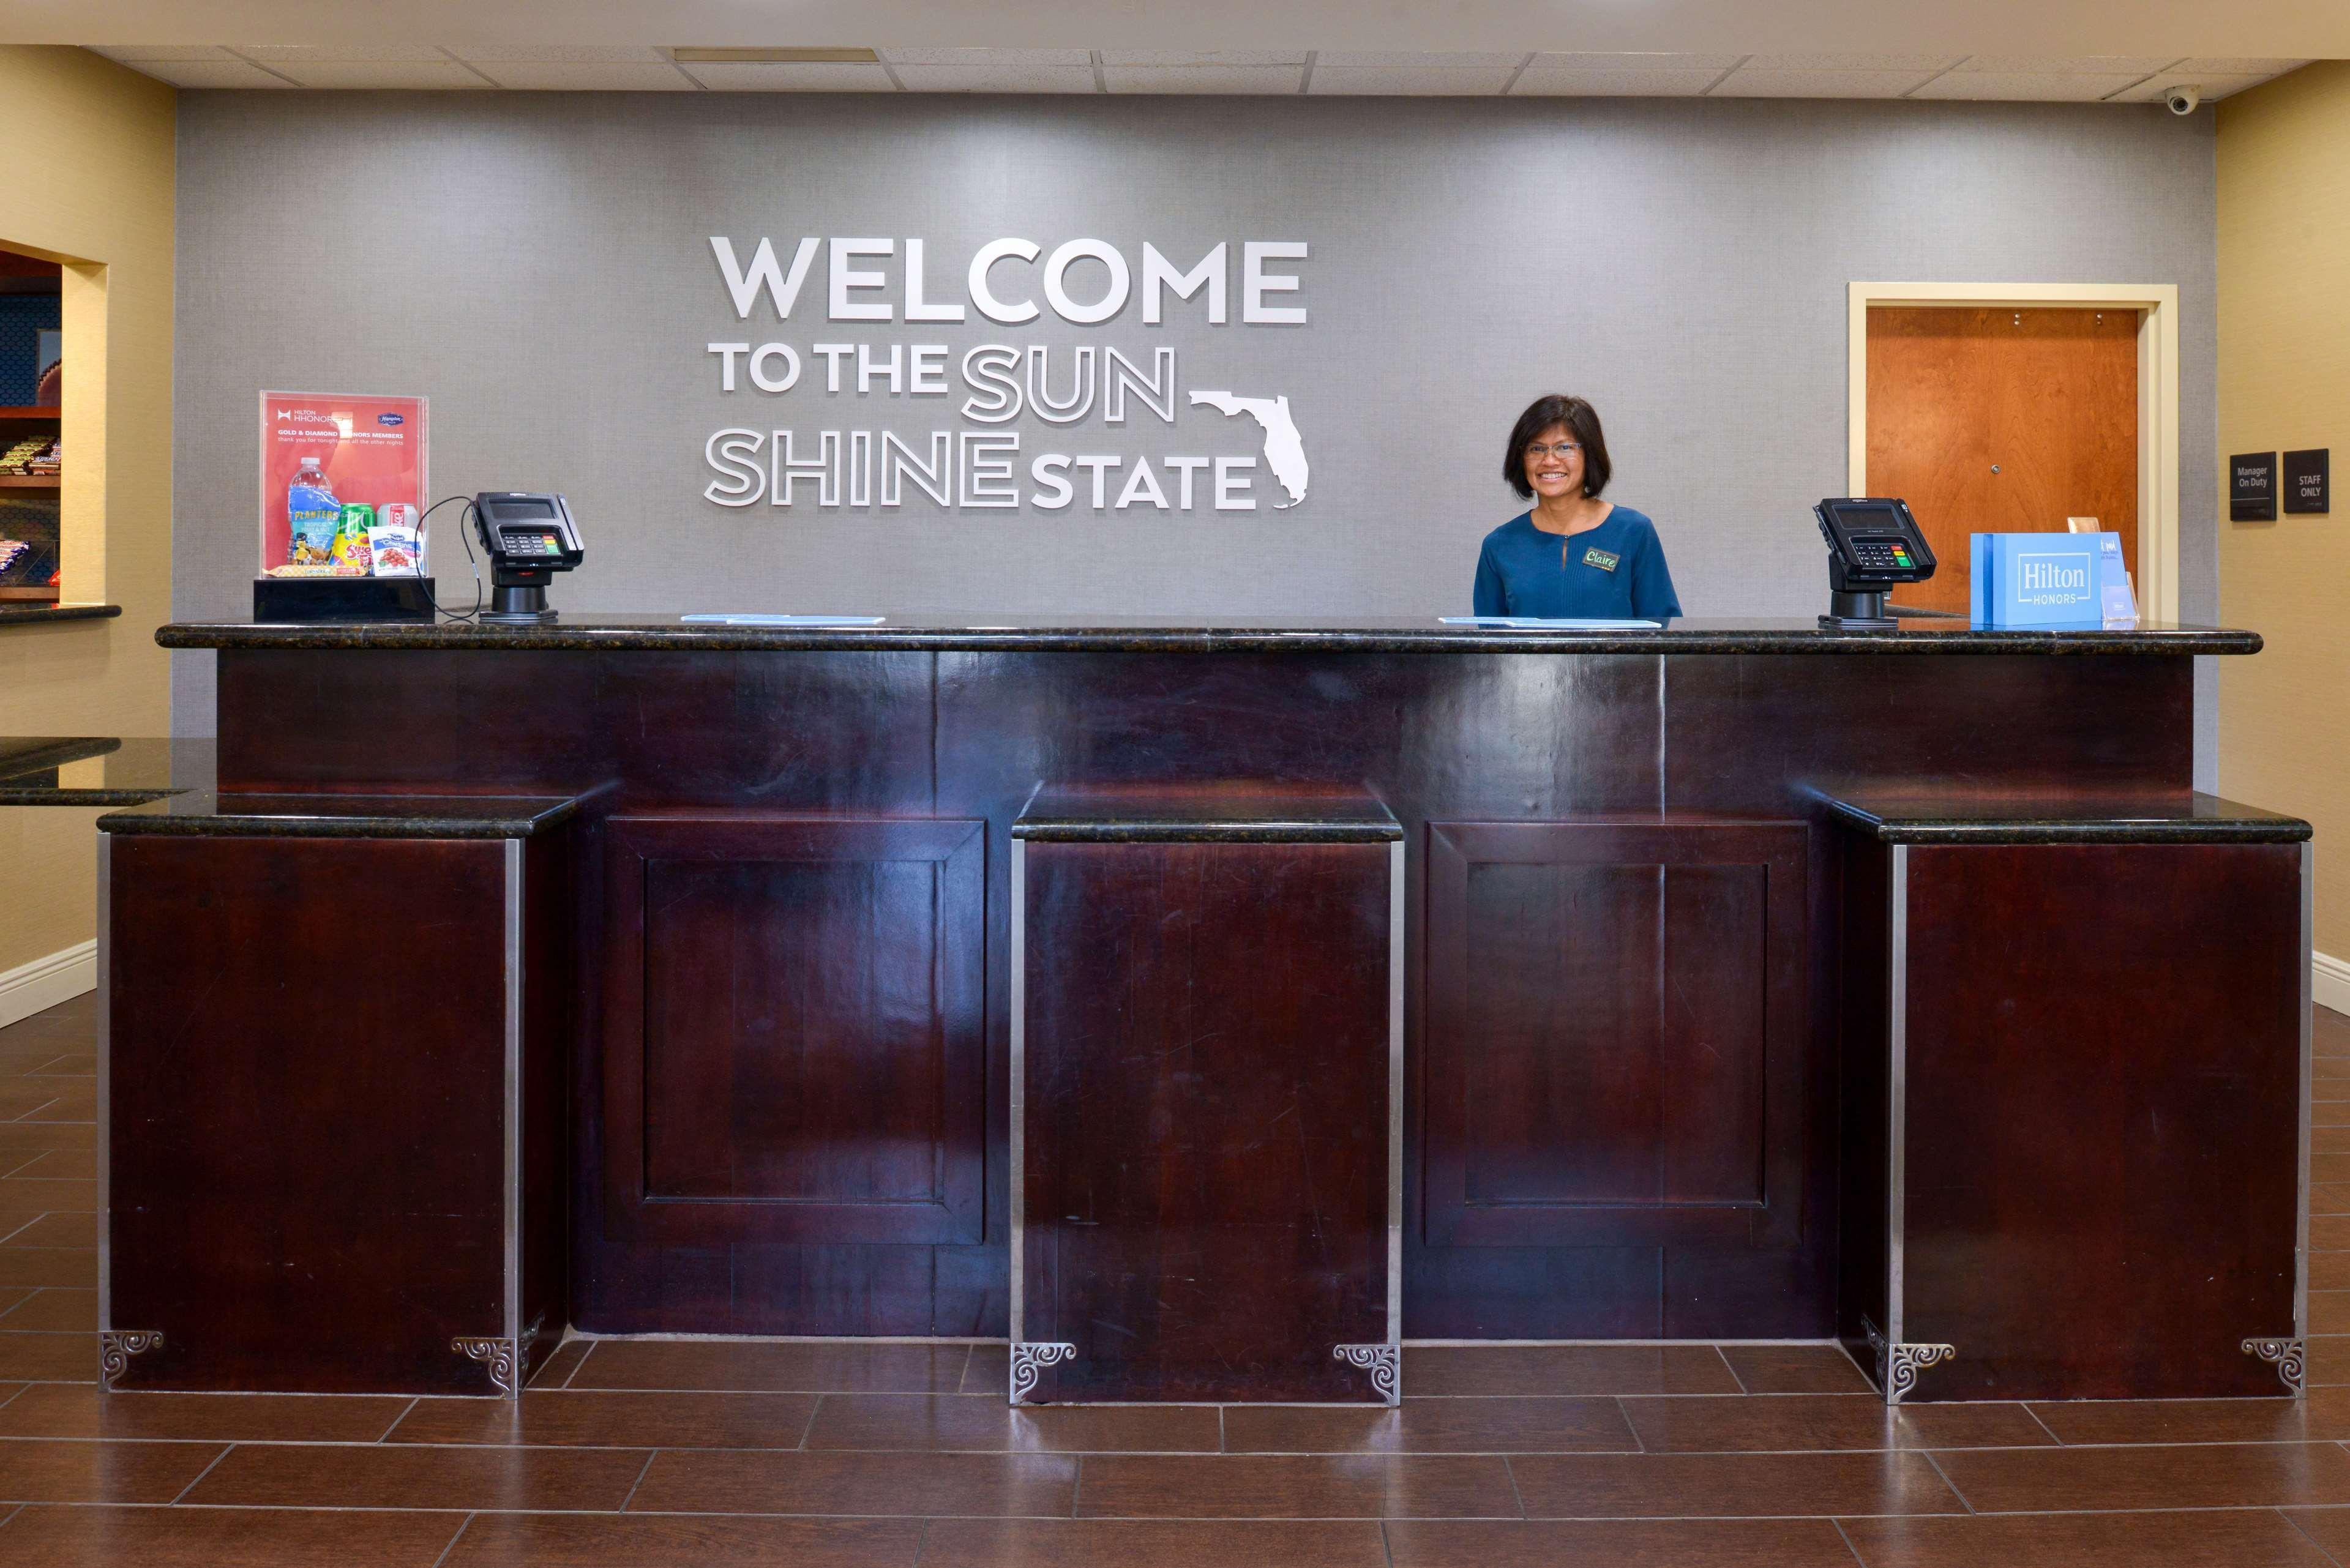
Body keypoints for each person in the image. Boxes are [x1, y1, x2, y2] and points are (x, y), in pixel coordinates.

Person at [1472, 394, 1681, 620]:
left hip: (1621, 658)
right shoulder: (1500, 545)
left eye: (1564, 448)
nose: (1550, 461)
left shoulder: (1633, 532)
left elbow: (1664, 631)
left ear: (1590, 454)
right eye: (1536, 449)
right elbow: (1489, 644)